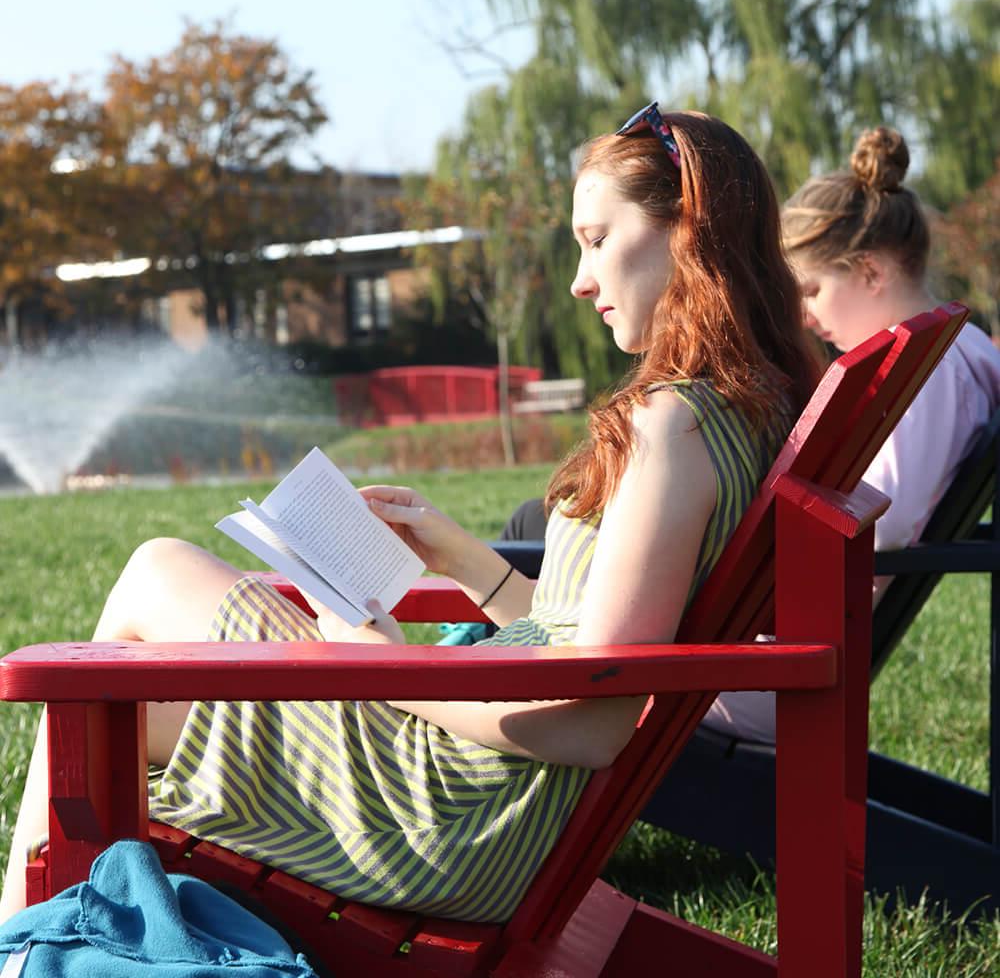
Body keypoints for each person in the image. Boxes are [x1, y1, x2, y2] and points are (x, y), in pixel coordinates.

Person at [0, 104, 820, 925]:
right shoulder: (735, 410)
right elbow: (594, 648)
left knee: (135, 618)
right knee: (141, 635)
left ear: (687, 232)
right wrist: (464, 559)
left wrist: (376, 665)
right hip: (479, 787)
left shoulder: (673, 423)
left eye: (597, 239)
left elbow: (594, 719)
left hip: (457, 818)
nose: (579, 278)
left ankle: (16, 932)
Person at [703, 125, 1000, 744]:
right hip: (801, 637)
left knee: (571, 598)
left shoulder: (933, 369)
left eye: (811, 289)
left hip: (793, 662)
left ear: (868, 271)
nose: (803, 314)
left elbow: (882, 521)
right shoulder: (951, 352)